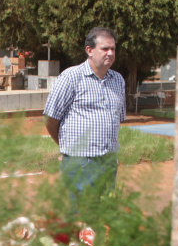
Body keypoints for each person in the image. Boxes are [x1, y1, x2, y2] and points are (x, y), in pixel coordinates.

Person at [44, 27, 126, 199]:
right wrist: (69, 149)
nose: (110, 53)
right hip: (80, 164)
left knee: (104, 214)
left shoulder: (118, 80)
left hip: (108, 163)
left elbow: (117, 119)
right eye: (105, 48)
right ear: (89, 50)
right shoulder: (71, 77)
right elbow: (51, 120)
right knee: (79, 218)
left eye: (113, 49)